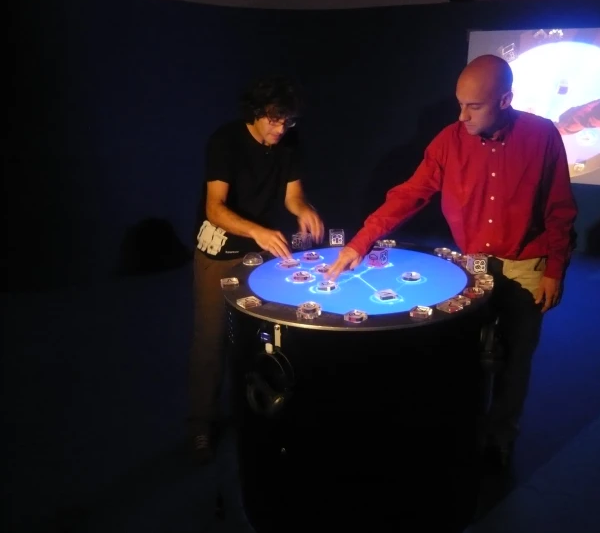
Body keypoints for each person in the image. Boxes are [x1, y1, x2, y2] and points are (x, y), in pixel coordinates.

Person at [325, 55, 577, 465]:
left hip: (526, 264)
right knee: (465, 354)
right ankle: (460, 431)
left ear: (505, 99)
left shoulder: (543, 135)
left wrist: (554, 270)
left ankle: (500, 439)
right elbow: (409, 194)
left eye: (473, 106)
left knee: (515, 359)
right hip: (472, 263)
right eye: (459, 104)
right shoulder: (448, 140)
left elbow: (560, 209)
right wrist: (360, 242)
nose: (461, 115)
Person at [189, 75, 324, 464]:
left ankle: (256, 408)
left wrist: (305, 211)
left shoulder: (289, 141)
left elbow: (293, 197)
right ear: (256, 112)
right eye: (274, 120)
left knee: (260, 338)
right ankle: (200, 424)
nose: (281, 129)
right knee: (210, 341)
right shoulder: (225, 140)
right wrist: (258, 232)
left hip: (261, 252)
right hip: (220, 250)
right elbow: (215, 207)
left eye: (288, 122)